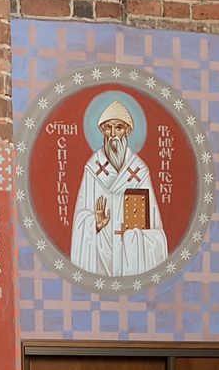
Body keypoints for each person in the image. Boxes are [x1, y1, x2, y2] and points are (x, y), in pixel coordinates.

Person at [69, 98, 169, 277]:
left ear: (128, 131)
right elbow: (80, 218)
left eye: (119, 127)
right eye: (108, 127)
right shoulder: (93, 167)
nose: (113, 134)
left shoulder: (139, 171)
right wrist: (95, 224)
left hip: (127, 254)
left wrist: (134, 236)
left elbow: (154, 227)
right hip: (100, 251)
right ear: (102, 131)